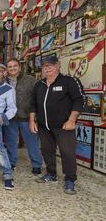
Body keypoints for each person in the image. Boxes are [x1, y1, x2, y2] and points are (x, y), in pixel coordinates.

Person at [29, 56, 85, 195]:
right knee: (47, 151)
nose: (47, 68)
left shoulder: (68, 81)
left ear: (58, 65)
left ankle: (70, 179)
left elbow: (80, 100)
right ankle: (51, 174)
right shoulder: (39, 85)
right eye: (44, 66)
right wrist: (32, 121)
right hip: (44, 126)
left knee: (67, 152)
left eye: (50, 65)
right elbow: (33, 104)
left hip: (64, 126)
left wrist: (72, 120)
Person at [4, 59, 43, 175]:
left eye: (15, 66)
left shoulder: (30, 80)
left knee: (32, 142)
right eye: (10, 66)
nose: (12, 68)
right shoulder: (2, 81)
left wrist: (35, 116)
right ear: (7, 69)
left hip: (27, 116)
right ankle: (12, 162)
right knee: (11, 141)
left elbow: (37, 98)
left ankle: (36, 164)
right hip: (10, 117)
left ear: (20, 67)